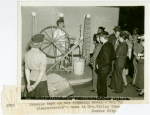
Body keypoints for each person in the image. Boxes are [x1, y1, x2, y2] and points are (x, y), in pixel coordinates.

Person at [95, 31, 115, 97]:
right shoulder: (110, 44)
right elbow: (113, 56)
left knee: (101, 85)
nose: (99, 38)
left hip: (103, 69)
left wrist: (99, 65)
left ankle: (102, 97)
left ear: (102, 37)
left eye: (100, 36)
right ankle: (102, 97)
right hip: (107, 68)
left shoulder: (105, 47)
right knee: (103, 84)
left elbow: (106, 60)